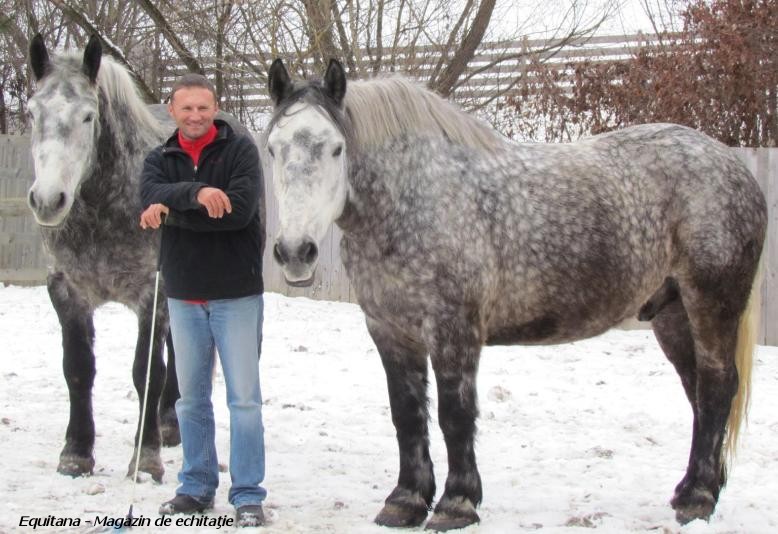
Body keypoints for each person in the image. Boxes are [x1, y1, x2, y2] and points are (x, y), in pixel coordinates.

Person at [139, 73, 266, 528]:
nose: (195, 116)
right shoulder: (160, 157)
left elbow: (238, 213)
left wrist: (172, 214)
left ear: (215, 108)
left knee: (244, 400)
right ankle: (195, 486)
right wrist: (196, 193)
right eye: (186, 107)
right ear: (171, 110)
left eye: (203, 107)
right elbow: (148, 196)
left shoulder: (241, 151)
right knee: (190, 401)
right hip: (183, 294)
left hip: (236, 293)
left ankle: (248, 493)